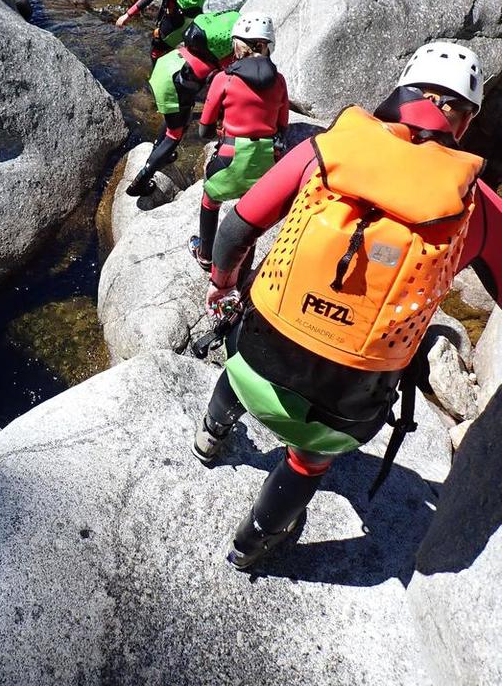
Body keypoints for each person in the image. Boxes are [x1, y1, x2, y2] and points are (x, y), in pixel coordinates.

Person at [191, 42, 502, 570]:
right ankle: (249, 545)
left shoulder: (328, 147)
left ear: (401, 91)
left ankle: (211, 434)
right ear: (466, 121)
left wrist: (223, 284)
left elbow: (238, 228)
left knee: (244, 345)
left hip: (256, 360)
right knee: (310, 459)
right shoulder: (481, 206)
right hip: (344, 406)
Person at [188, 13, 288, 272]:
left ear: (239, 45)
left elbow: (203, 131)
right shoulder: (279, 81)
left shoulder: (225, 78)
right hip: (267, 160)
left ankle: (205, 254)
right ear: (267, 46)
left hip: (231, 155)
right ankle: (241, 264)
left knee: (210, 197)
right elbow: (283, 126)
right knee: (250, 213)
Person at [126, 10, 240, 198]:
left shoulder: (205, 46)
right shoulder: (225, 54)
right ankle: (141, 179)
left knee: (176, 120)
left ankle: (159, 149)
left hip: (168, 65)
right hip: (173, 82)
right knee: (174, 136)